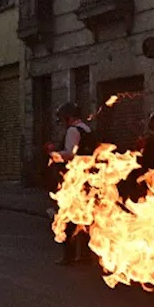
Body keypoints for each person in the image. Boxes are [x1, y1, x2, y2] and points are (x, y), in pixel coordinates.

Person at [44, 103, 95, 264]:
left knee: (67, 217)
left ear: (69, 117)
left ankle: (69, 255)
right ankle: (85, 255)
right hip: (88, 177)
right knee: (85, 217)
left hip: (74, 179)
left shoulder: (73, 131)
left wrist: (53, 154)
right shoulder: (87, 129)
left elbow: (70, 154)